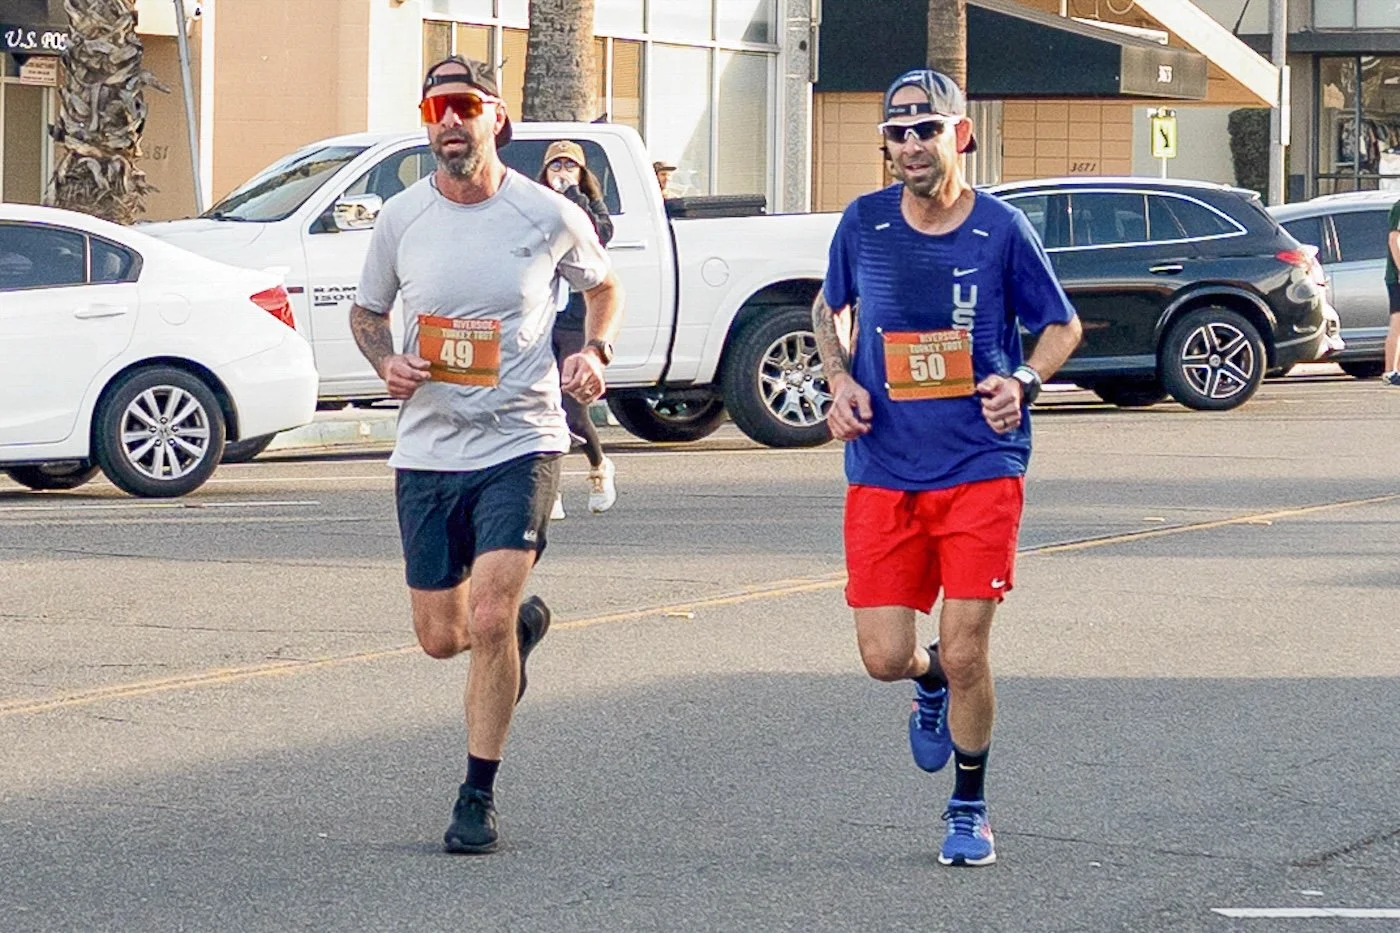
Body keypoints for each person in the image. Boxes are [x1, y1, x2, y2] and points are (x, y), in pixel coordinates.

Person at [349, 55, 623, 855]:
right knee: (443, 636)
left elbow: (603, 286)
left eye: (465, 105)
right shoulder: (402, 218)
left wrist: (594, 350)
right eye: (436, 108)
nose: (450, 121)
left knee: (489, 613)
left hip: (521, 437)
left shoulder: (545, 213)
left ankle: (477, 794)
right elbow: (367, 313)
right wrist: (385, 362)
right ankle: (519, 632)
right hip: (429, 446)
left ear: (495, 118)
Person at [811, 69, 1084, 867]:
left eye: (926, 129)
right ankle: (925, 680)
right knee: (884, 657)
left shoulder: (1001, 229)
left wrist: (1022, 380)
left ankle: (969, 807)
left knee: (967, 649)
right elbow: (827, 307)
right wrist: (839, 380)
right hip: (883, 465)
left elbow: (1061, 325)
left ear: (958, 135)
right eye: (897, 133)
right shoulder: (864, 223)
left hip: (980, 463)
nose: (911, 145)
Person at [537, 140, 618, 515]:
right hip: (542, 316)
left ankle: (599, 466)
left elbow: (602, 234)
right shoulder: (536, 207)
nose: (562, 173)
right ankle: (549, 489)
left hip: (575, 318)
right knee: (542, 403)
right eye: (555, 166)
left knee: (571, 406)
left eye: (570, 166)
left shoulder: (589, 205)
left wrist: (574, 197)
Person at [1382, 196, 1400, 386]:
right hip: (1397, 278)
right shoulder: (1399, 208)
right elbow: (1394, 239)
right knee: (1398, 322)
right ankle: (1390, 371)